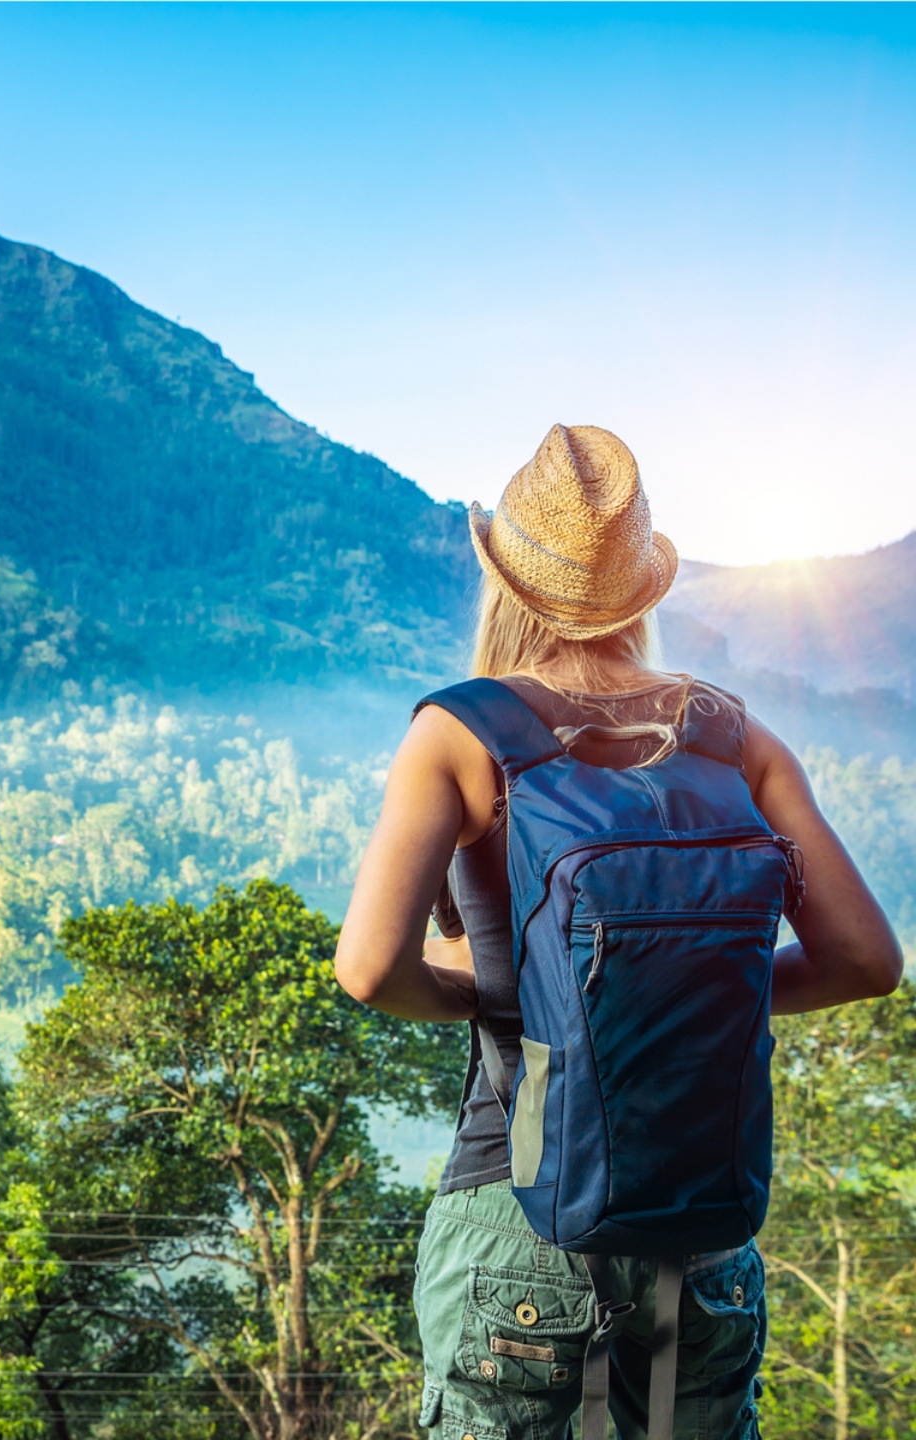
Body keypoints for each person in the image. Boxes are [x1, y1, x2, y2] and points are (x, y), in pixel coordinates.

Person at [334, 424, 903, 1440]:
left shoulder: (461, 734)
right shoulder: (732, 736)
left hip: (516, 1214)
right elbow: (866, 961)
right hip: (705, 1233)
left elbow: (372, 967)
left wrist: (469, 986)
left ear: (502, 581)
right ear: (644, 592)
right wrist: (686, 980)